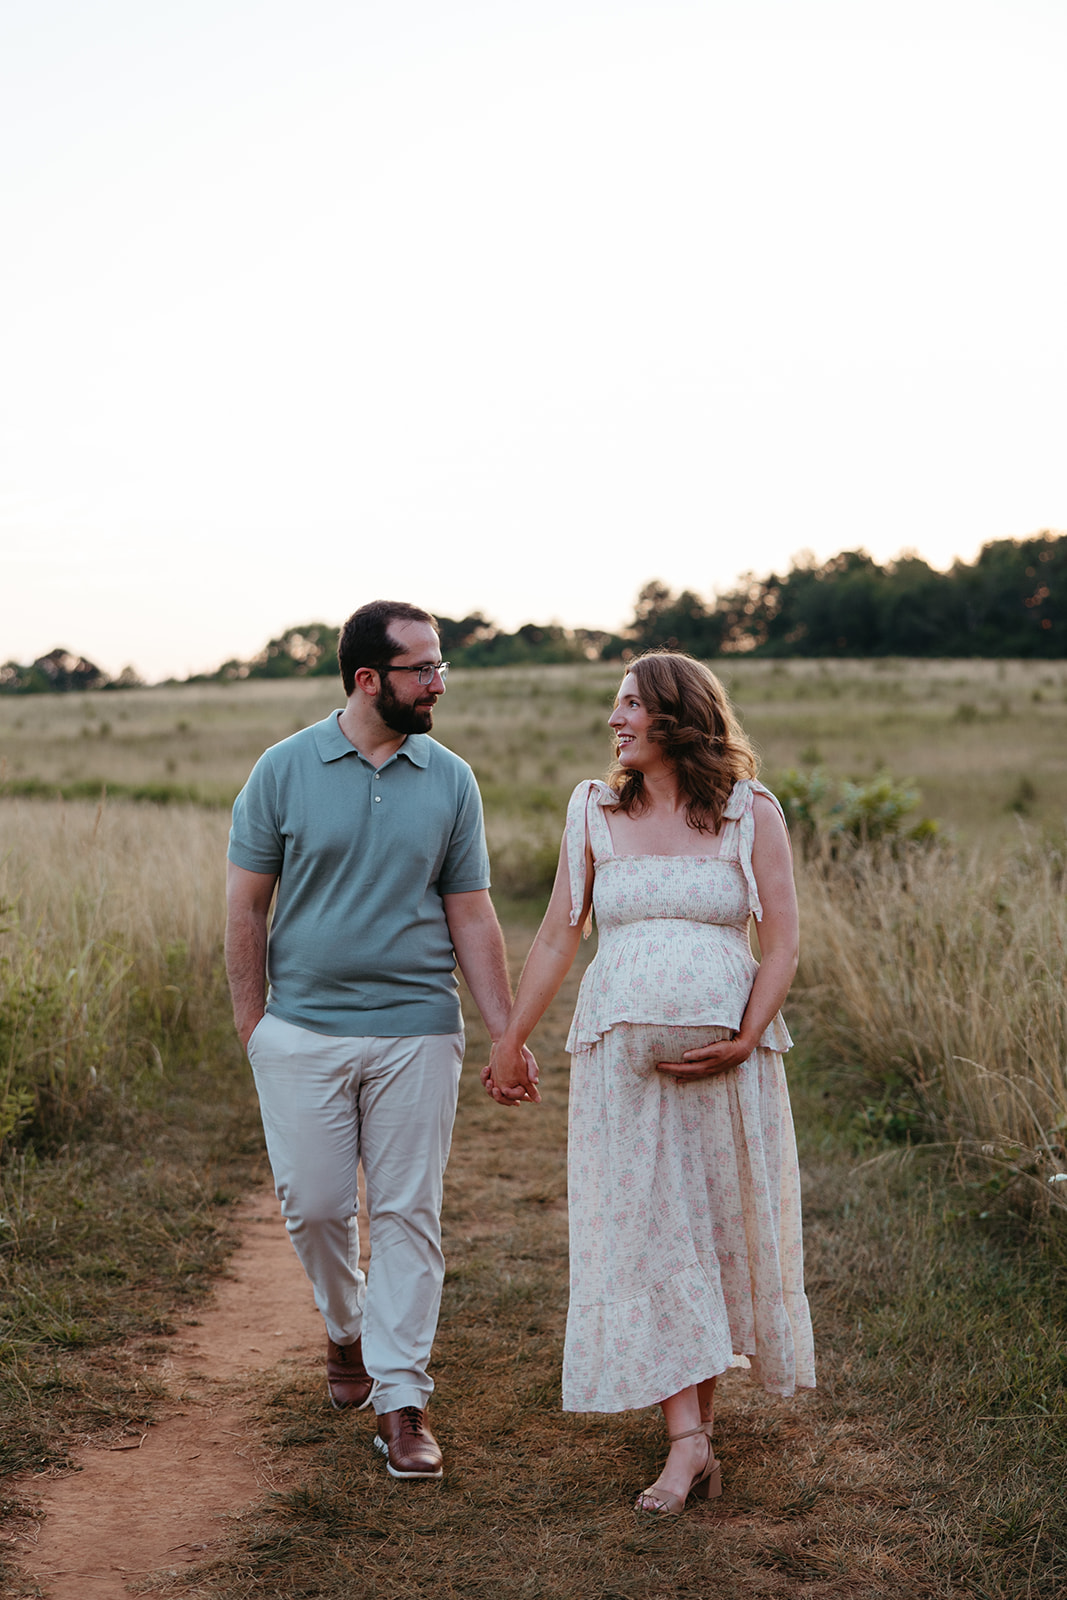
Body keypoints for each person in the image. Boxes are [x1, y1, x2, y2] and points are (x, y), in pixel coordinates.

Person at [487, 650, 814, 1515]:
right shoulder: (593, 810)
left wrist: (746, 1036)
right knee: (650, 1234)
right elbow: (561, 936)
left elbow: (779, 939)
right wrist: (512, 1038)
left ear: (676, 716)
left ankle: (691, 1442)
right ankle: (687, 1442)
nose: (613, 720)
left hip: (725, 1072)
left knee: (704, 1233)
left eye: (629, 704)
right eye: (614, 704)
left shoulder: (750, 812)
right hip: (619, 1076)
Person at [225, 599, 534, 1483]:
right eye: (422, 669)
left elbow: (471, 914)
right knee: (316, 1207)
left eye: (440, 667)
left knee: (406, 1214)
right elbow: (246, 907)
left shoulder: (450, 779)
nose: (438, 683)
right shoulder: (282, 770)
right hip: (301, 1031)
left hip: (416, 1030)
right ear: (369, 680)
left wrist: (505, 1033)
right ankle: (345, 1327)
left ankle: (402, 1402)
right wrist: (256, 1030)